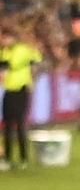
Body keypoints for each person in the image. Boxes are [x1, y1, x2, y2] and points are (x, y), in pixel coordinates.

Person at [1, 28, 42, 169]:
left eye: (7, 38)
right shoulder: (4, 52)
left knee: (20, 124)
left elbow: (36, 59)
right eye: (3, 38)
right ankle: (7, 158)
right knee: (7, 125)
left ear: (13, 38)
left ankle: (23, 158)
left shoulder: (23, 50)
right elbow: (4, 67)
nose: (4, 41)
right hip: (9, 91)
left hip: (22, 90)